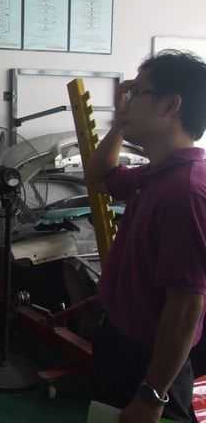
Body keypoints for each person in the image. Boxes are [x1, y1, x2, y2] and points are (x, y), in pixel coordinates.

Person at [88, 50, 206, 423]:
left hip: (150, 363)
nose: (126, 101)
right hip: (121, 344)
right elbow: (99, 177)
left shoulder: (186, 192)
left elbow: (185, 307)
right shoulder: (158, 174)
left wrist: (153, 395)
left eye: (137, 92)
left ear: (170, 105)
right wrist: (120, 124)